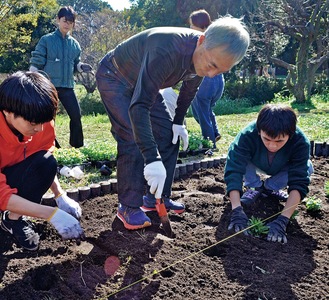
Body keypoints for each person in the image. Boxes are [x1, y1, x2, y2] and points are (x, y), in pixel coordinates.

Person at [96, 15, 250, 230]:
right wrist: (151, 158)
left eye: (220, 71)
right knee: (131, 136)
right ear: (202, 40)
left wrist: (178, 122)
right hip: (116, 76)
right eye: (212, 65)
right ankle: (128, 206)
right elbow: (139, 106)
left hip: (147, 83)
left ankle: (156, 198)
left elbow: (189, 89)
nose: (212, 74)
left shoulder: (204, 57)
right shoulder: (167, 49)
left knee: (169, 135)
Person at [0, 71, 85, 251]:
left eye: (43, 122)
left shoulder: (41, 124)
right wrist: (52, 214)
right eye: (32, 123)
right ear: (7, 111)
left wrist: (60, 196)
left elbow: (42, 161)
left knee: (47, 162)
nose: (39, 129)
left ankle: (12, 219)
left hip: (9, 178)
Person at [224, 104, 313, 243]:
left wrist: (283, 220)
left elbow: (299, 182)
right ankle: (255, 187)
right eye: (267, 139)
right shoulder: (247, 135)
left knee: (307, 168)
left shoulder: (300, 142)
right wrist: (236, 210)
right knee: (237, 157)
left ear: (290, 135)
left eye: (279, 141)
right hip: (254, 163)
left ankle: (269, 187)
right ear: (259, 131)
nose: (272, 146)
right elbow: (233, 171)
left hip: (282, 167)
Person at [29, 6, 92, 148]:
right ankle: (51, 146)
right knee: (49, 119)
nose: (67, 24)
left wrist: (82, 67)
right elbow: (36, 61)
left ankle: (76, 146)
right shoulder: (46, 40)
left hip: (68, 87)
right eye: (64, 20)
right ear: (58, 20)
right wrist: (32, 80)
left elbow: (75, 65)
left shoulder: (74, 44)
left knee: (76, 116)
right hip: (49, 87)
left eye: (70, 22)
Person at [189, 9, 225, 148]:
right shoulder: (215, 37)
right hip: (218, 80)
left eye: (192, 25)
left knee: (202, 113)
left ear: (199, 24)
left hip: (206, 80)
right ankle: (214, 133)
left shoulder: (200, 39)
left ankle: (210, 144)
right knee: (206, 110)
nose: (190, 28)